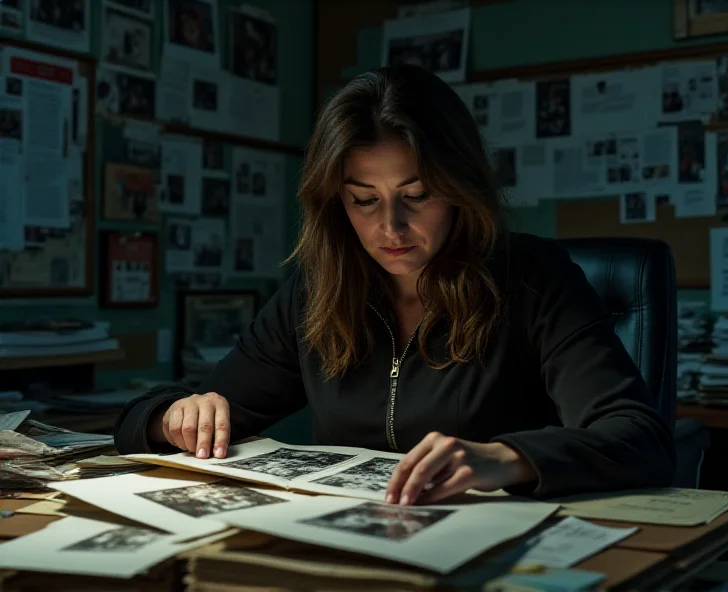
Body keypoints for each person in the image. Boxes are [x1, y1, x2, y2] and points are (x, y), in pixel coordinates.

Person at [114, 64, 675, 506]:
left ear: (459, 189)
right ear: (338, 203)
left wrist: (504, 458)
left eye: (417, 195)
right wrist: (174, 416)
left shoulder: (534, 278)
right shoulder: (317, 292)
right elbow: (173, 409)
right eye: (364, 200)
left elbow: (638, 437)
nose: (390, 227)